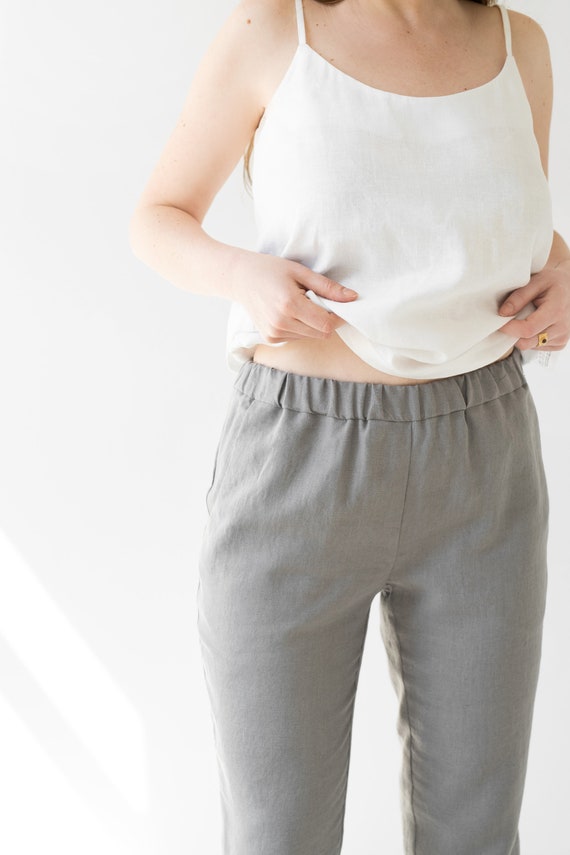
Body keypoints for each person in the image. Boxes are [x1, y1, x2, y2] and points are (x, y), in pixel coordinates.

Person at [129, 0, 570, 852]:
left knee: (477, 832)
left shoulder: (522, 44)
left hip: (485, 457)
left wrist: (567, 274)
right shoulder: (273, 30)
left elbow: (496, 225)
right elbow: (158, 214)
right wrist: (242, 275)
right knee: (278, 832)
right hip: (300, 460)